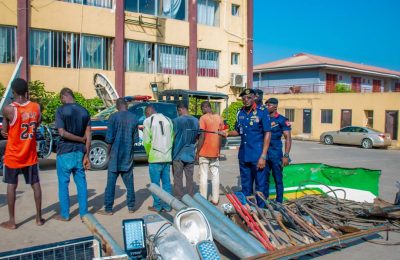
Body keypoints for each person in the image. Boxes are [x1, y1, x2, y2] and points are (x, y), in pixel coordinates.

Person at [0, 78, 44, 229]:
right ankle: (38, 218)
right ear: (26, 92)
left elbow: (4, 131)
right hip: (30, 154)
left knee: (11, 186)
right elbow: (37, 122)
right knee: (35, 185)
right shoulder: (36, 107)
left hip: (13, 154)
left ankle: (12, 221)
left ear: (13, 92)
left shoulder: (8, 109)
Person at [228, 88, 271, 207]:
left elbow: (268, 133)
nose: (246, 100)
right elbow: (238, 131)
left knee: (260, 185)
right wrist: (226, 133)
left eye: (249, 98)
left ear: (254, 98)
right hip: (243, 155)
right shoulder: (240, 112)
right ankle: (249, 209)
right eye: (244, 98)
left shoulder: (262, 112)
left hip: (257, 156)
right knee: (246, 186)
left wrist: (263, 156)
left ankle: (261, 210)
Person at [54, 88, 91, 221]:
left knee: (63, 184)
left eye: (61, 99)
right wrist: (86, 154)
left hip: (65, 151)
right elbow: (88, 134)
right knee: (81, 183)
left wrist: (79, 139)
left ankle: (65, 214)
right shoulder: (84, 111)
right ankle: (84, 214)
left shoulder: (60, 110)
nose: (61, 101)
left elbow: (62, 133)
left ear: (65, 96)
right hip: (80, 152)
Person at [98, 98, 138, 215]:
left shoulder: (113, 117)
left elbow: (109, 139)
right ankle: (131, 207)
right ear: (126, 105)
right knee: (129, 183)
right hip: (127, 156)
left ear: (117, 106)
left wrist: (108, 153)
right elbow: (135, 139)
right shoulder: (134, 118)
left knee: (110, 184)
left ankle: (109, 209)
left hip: (115, 156)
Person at [143, 105, 174, 212]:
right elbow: (172, 138)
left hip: (155, 157)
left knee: (155, 184)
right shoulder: (168, 120)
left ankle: (157, 206)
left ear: (147, 113)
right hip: (166, 157)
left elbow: (146, 141)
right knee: (166, 182)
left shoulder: (148, 121)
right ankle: (167, 205)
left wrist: (148, 153)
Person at [196, 101, 225, 205]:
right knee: (215, 175)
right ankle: (215, 200)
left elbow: (202, 136)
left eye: (202, 108)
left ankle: (203, 200)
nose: (202, 110)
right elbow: (221, 135)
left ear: (205, 107)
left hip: (204, 151)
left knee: (203, 175)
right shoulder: (219, 118)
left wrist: (197, 151)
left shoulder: (203, 118)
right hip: (215, 151)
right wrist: (219, 150)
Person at [265, 98, 292, 203]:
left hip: (276, 154)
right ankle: (264, 201)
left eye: (269, 105)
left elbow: (288, 138)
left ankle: (279, 202)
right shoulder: (265, 119)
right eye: (266, 105)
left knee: (278, 179)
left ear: (275, 107)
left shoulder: (282, 120)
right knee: (264, 180)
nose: (267, 107)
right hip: (265, 153)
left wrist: (286, 155)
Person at [172, 102, 199, 199]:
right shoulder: (196, 121)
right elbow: (198, 137)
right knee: (189, 178)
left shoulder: (176, 121)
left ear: (180, 109)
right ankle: (190, 197)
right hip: (190, 153)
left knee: (178, 177)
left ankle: (179, 197)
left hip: (178, 153)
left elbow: (172, 137)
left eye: (178, 111)